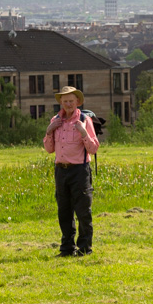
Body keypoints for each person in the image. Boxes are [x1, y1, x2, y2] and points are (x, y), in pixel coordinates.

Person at [43, 86, 98, 257]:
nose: (68, 104)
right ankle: (66, 248)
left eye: (71, 101)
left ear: (77, 102)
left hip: (79, 171)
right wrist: (49, 131)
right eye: (65, 101)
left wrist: (83, 133)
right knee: (64, 211)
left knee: (83, 211)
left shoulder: (84, 120)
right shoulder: (55, 120)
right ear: (60, 102)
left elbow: (94, 148)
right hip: (61, 170)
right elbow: (49, 149)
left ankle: (84, 249)